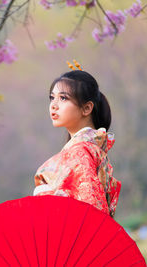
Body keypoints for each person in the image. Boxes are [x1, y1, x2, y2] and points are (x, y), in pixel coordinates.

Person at [33, 67, 121, 218]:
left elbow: (90, 210)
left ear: (86, 108)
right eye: (52, 97)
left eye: (63, 98)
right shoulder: (90, 148)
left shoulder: (81, 151)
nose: (54, 105)